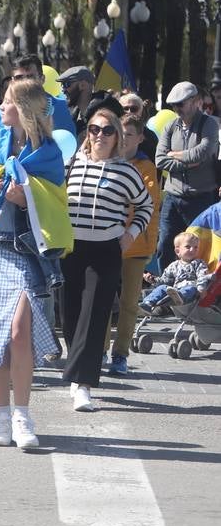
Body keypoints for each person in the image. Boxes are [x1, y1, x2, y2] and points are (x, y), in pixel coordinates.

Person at [0, 79, 69, 452]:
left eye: (7, 101)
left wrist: (26, 194)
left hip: (28, 251)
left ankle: (22, 414)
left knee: (18, 332)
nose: (0, 107)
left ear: (24, 109)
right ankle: (1, 414)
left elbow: (57, 201)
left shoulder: (47, 153)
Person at [62, 107, 152, 412]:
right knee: (71, 316)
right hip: (71, 249)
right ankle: (77, 374)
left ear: (117, 136)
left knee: (95, 316)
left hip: (105, 252)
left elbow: (145, 206)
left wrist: (129, 236)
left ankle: (83, 383)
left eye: (107, 130)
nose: (99, 135)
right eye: (94, 129)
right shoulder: (72, 164)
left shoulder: (126, 171)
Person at [105, 114, 160, 374]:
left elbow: (142, 204)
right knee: (103, 300)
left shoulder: (146, 167)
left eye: (129, 134)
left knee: (128, 303)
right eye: (121, 133)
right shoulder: (107, 162)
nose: (124, 139)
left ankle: (120, 354)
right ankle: (100, 348)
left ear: (140, 138)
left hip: (136, 245)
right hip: (108, 241)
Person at [154, 81, 218, 274]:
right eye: (173, 105)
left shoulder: (209, 124)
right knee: (165, 246)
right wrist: (187, 161)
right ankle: (165, 289)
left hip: (201, 198)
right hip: (172, 198)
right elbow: (159, 160)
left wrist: (175, 155)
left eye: (180, 104)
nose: (176, 109)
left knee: (199, 250)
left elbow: (202, 153)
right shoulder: (170, 126)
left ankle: (198, 293)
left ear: (195, 101)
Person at [139, 232, 210, 315]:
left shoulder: (199, 263)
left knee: (191, 288)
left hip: (191, 291)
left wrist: (201, 287)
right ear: (177, 251)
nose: (192, 250)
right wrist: (153, 280)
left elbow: (202, 276)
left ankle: (179, 297)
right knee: (162, 287)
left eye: (196, 247)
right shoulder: (174, 265)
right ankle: (147, 304)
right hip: (174, 291)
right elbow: (165, 280)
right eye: (188, 247)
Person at [57, 66, 95, 137]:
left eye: (67, 84)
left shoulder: (103, 117)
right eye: (62, 85)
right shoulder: (71, 119)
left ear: (83, 85)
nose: (63, 90)